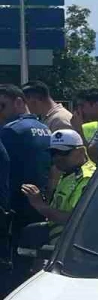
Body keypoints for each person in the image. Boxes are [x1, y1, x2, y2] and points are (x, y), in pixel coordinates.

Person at [20, 129, 94, 242]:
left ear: (80, 151)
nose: (57, 158)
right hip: (58, 243)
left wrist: (41, 206)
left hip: (73, 247)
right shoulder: (68, 173)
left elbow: (76, 219)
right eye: (53, 153)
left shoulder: (87, 178)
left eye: (64, 153)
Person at [0, 85, 52, 234]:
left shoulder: (11, 130)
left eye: (2, 106)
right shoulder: (44, 128)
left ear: (18, 102)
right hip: (38, 202)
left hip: (15, 205)